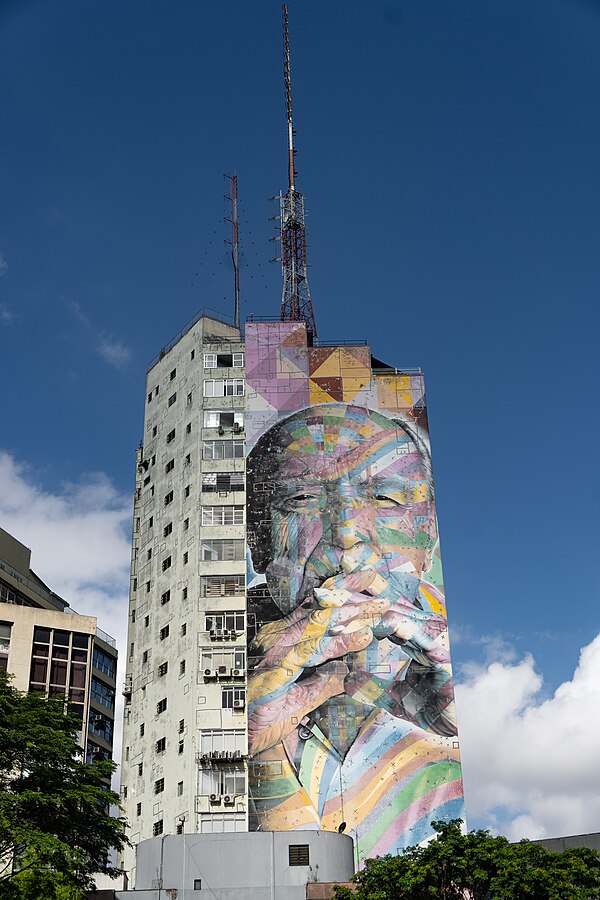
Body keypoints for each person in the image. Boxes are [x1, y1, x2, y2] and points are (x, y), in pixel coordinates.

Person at [246, 403, 464, 860]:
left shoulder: (454, 687)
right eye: (302, 500)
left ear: (426, 535)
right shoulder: (226, 680)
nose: (346, 533)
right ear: (259, 540)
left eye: (385, 499)